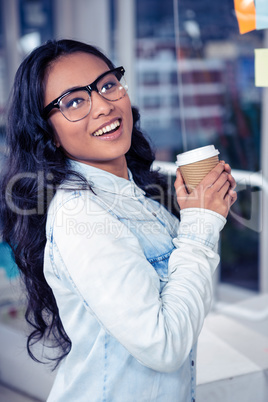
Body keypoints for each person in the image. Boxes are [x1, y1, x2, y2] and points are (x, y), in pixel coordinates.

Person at [0, 39, 237, 402]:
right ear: (47, 131)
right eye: (74, 101)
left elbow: (181, 298)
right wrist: (201, 223)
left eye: (107, 84)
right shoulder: (81, 213)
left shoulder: (134, 196)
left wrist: (203, 210)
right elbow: (164, 346)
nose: (104, 106)